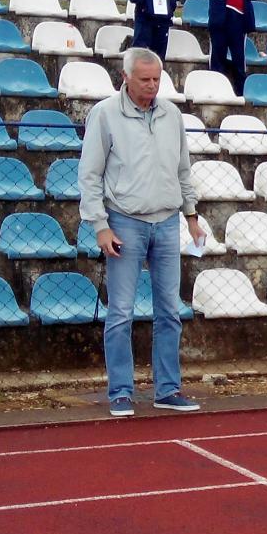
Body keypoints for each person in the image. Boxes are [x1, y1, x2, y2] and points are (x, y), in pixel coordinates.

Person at [78, 47, 208, 418]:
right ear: (126, 78)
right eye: (145, 79)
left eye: (156, 79)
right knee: (121, 311)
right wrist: (100, 225)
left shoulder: (172, 115)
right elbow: (89, 174)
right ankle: (120, 391)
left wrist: (192, 216)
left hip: (167, 221)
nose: (152, 85)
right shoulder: (105, 114)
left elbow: (183, 170)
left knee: (170, 311)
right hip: (124, 222)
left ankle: (168, 389)